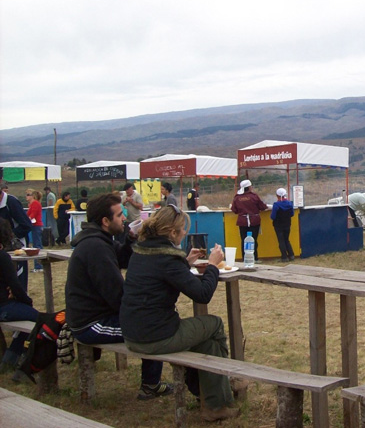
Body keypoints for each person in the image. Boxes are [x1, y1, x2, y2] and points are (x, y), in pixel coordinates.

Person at [120, 205, 237, 422]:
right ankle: (228, 378)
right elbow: (202, 294)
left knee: (208, 345)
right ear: (172, 233)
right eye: (182, 229)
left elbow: (161, 272)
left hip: (132, 333)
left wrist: (184, 262)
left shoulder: (141, 250)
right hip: (156, 337)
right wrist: (212, 265)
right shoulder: (168, 258)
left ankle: (214, 404)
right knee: (214, 324)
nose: (184, 233)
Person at [65, 193, 173, 400]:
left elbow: (123, 258)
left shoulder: (98, 240)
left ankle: (151, 383)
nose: (124, 218)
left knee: (151, 320)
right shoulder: (96, 248)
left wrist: (132, 237)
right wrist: (145, 308)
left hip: (94, 316)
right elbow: (116, 295)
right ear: (105, 221)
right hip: (90, 324)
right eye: (119, 215)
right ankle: (151, 385)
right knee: (153, 328)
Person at [0, 218, 39, 375]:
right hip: (3, 307)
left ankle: (10, 359)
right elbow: (15, 285)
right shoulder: (3, 257)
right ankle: (23, 365)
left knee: (26, 319)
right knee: (39, 319)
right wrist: (27, 301)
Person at [0, 185, 33, 289]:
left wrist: (7, 236)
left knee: (18, 283)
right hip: (2, 250)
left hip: (17, 249)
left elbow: (26, 225)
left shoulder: (11, 202)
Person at [230, 179, 267, 262]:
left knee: (244, 240)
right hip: (254, 221)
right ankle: (255, 258)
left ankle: (245, 258)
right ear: (249, 187)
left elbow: (234, 210)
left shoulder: (237, 198)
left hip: (242, 221)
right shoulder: (254, 196)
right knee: (253, 239)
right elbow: (262, 207)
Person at [271, 188, 295, 262]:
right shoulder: (289, 204)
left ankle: (284, 257)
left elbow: (272, 217)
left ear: (277, 195)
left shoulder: (276, 205)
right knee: (286, 239)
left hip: (278, 225)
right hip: (287, 224)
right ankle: (291, 255)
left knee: (281, 241)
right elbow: (292, 214)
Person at [25, 189, 44, 272]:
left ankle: (39, 266)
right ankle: (39, 265)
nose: (26, 196)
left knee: (37, 246)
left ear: (33, 196)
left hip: (36, 226)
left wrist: (27, 220)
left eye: (28, 194)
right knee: (37, 244)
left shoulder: (35, 203)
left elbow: (32, 215)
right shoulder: (32, 204)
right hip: (34, 226)